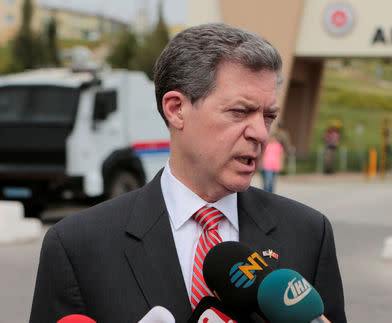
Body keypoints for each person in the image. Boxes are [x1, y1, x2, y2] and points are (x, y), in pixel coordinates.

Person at [30, 23, 346, 322]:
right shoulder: (78, 246)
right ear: (176, 109)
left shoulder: (308, 233)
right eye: (240, 112)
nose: (261, 133)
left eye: (269, 115)